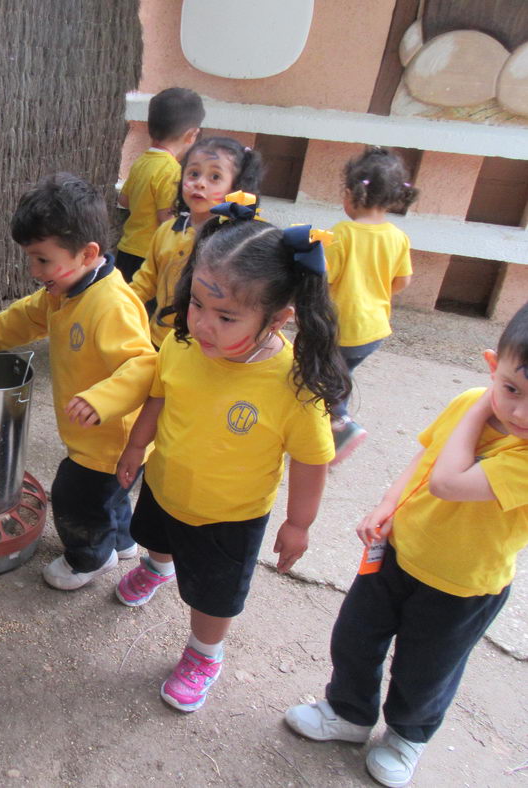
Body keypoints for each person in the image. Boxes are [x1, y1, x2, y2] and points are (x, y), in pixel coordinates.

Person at [113, 204, 350, 714]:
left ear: (278, 319)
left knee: (212, 599)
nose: (202, 324)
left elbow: (311, 461)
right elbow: (159, 395)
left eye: (225, 316)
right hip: (164, 483)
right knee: (155, 536)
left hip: (230, 517)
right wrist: (136, 446)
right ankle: (157, 567)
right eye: (196, 303)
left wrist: (299, 523)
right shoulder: (182, 344)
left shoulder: (293, 387)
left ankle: (204, 654)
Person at [284, 302, 528, 788]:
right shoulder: (468, 403)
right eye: (512, 389)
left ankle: (407, 736)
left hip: (462, 586)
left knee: (426, 669)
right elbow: (426, 457)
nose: (520, 411)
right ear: (491, 366)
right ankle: (348, 711)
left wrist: (486, 404)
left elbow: (448, 482)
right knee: (355, 636)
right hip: (395, 553)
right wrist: (388, 503)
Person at [0, 173, 156, 591]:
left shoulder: (109, 304)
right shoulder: (65, 290)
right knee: (112, 496)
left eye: (42, 259)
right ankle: (122, 540)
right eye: (31, 258)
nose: (33, 270)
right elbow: (22, 318)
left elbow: (144, 366)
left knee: (77, 497)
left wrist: (102, 399)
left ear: (87, 253)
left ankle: (88, 559)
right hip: (98, 432)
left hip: (109, 436)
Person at [326, 146, 419, 463]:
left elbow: (324, 278)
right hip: (374, 329)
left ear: (351, 194)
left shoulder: (342, 233)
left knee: (320, 374)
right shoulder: (397, 236)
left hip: (343, 328)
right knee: (341, 374)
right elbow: (403, 281)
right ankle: (332, 422)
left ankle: (341, 425)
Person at [130, 137, 264, 347]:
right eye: (193, 173)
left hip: (207, 346)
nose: (200, 183)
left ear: (235, 188)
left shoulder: (238, 241)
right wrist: (117, 303)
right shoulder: (167, 230)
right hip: (158, 341)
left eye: (215, 176)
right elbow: (145, 281)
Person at [116, 87, 204, 282]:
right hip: (149, 256)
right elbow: (165, 217)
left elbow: (124, 199)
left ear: (149, 126)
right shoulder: (171, 170)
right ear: (192, 135)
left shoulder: (141, 161)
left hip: (126, 248)